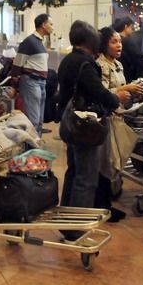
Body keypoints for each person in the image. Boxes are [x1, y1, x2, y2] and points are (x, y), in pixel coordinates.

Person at [57, 21, 126, 240]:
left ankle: (66, 219)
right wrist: (117, 98)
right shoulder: (85, 64)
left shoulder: (68, 60)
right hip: (84, 127)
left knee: (73, 172)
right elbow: (98, 92)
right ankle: (77, 227)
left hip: (70, 125)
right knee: (86, 178)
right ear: (89, 40)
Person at [95, 27, 143, 222]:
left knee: (113, 163)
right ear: (104, 44)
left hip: (119, 117)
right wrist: (125, 88)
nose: (119, 45)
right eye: (114, 42)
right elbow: (103, 92)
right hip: (106, 119)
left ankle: (106, 204)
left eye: (120, 42)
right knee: (105, 163)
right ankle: (102, 207)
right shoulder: (100, 65)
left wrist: (135, 92)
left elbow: (121, 93)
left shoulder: (118, 65)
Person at [11, 13, 53, 135]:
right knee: (33, 121)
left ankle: (35, 149)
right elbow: (17, 65)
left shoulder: (40, 42)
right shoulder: (29, 42)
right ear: (43, 25)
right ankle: (29, 151)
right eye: (51, 24)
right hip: (31, 82)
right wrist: (14, 86)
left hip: (40, 82)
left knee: (39, 121)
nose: (52, 27)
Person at [112, 16, 143, 82]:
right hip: (128, 78)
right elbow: (141, 60)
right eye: (132, 28)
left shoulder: (111, 42)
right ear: (126, 27)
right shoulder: (128, 42)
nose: (133, 31)